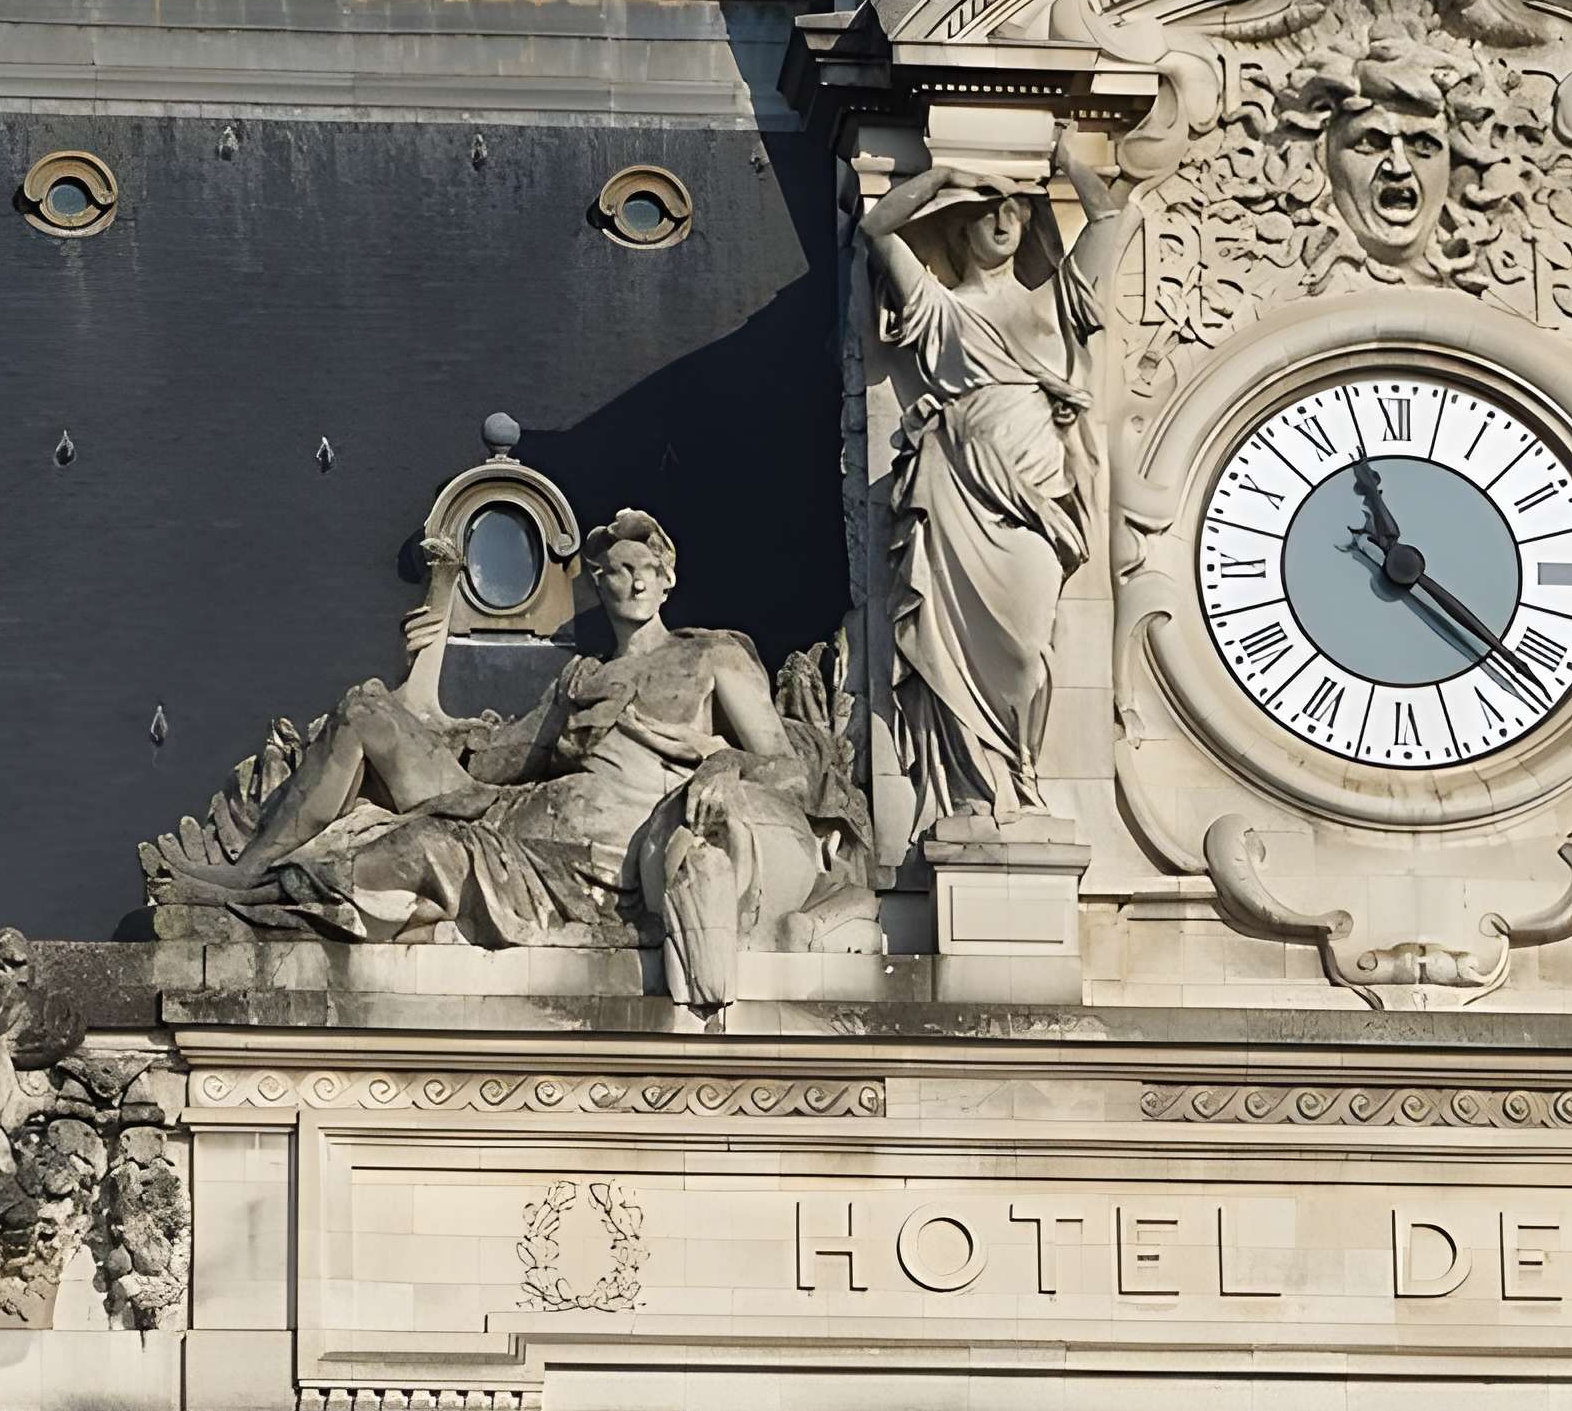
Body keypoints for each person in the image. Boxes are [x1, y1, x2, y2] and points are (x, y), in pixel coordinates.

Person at [158, 512, 806, 952]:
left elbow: (785, 767)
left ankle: (264, 894)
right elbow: (490, 761)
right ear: (599, 583)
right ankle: (246, 875)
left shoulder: (711, 658)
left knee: (407, 853)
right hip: (512, 814)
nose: (633, 581)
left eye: (646, 569)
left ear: (667, 580)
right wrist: (425, 666)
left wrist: (725, 767)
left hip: (602, 854)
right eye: (616, 569)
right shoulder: (579, 680)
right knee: (365, 714)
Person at [867, 130, 1123, 834]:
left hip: (1037, 497)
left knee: (1032, 653)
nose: (1004, 220)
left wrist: (1069, 160)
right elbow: (876, 225)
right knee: (963, 649)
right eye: (987, 210)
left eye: (1013, 209)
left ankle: (1024, 765)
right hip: (962, 491)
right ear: (960, 226)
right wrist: (946, 172)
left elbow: (1106, 220)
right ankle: (985, 784)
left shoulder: (1051, 302)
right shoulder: (941, 310)